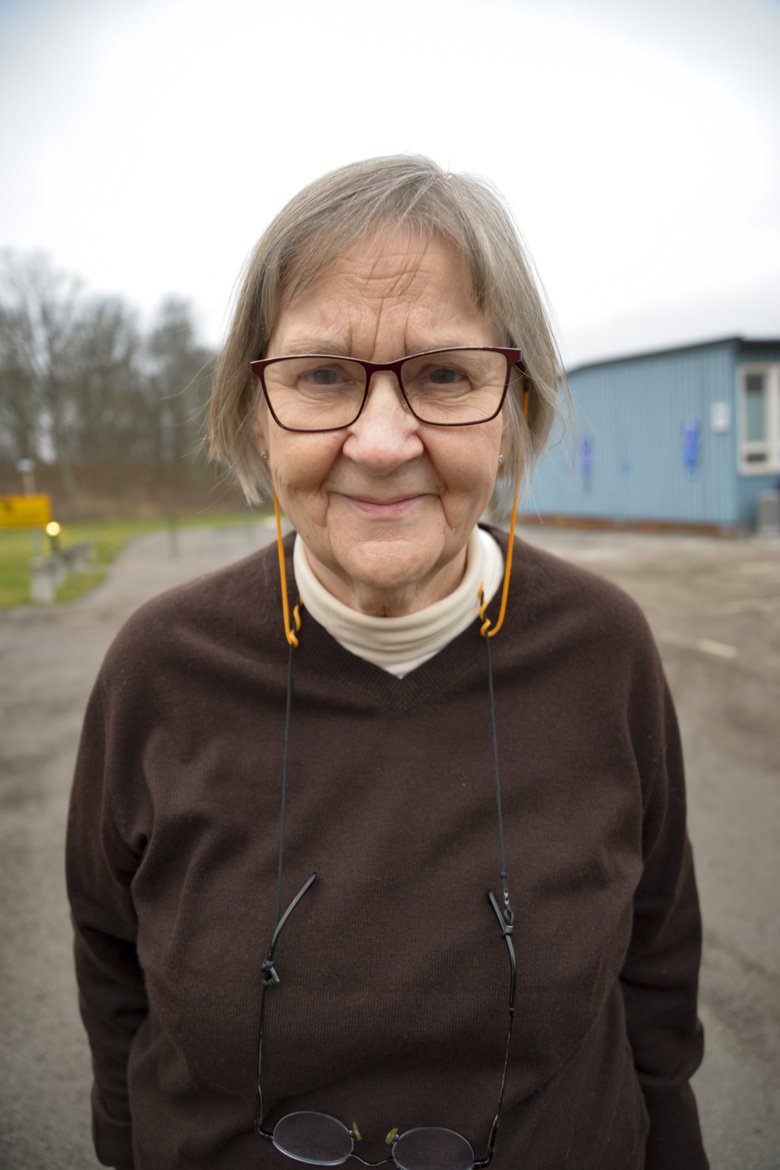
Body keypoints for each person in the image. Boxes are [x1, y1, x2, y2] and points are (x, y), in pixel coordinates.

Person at [66, 155, 708, 1170]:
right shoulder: (159, 669)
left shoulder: (605, 651)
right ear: (255, 411)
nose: (379, 440)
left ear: (516, 406)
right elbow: (114, 976)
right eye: (322, 375)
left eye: (444, 374)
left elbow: (659, 984)